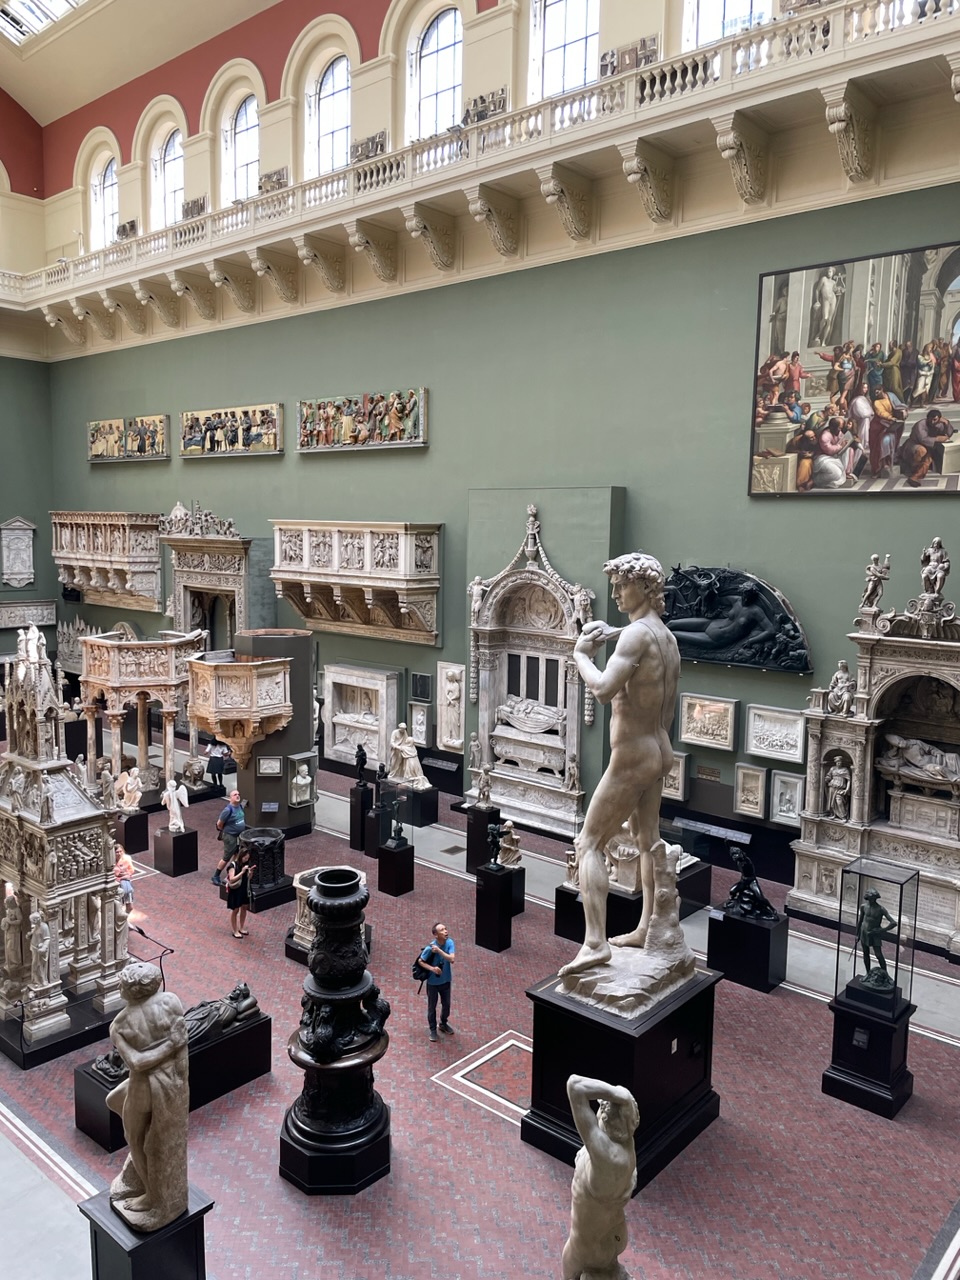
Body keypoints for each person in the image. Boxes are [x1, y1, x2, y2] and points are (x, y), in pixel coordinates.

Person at [559, 551, 680, 978]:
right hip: (659, 750)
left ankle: (595, 943)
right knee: (647, 839)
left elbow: (605, 690)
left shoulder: (635, 637)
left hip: (631, 756)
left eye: (622, 585)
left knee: (589, 843)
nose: (615, 593)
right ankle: (647, 926)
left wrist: (580, 654)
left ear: (645, 587)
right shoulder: (664, 636)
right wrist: (612, 634)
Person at [105, 962, 189, 1232]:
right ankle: (139, 1179)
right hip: (167, 1081)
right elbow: (180, 1046)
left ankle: (152, 1195)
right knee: (113, 1100)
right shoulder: (171, 1001)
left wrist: (170, 1050)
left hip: (144, 1087)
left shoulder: (120, 1024)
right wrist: (170, 1046)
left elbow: (138, 1062)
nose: (118, 987)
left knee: (136, 1139)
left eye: (121, 984)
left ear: (130, 989)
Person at [561, 1074, 639, 1280]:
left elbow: (575, 1086)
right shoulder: (626, 1146)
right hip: (614, 1231)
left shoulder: (605, 1154)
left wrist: (617, 1093)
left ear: (604, 1116)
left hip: (589, 1248)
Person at [417, 921, 455, 1043]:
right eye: (442, 930)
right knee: (432, 1007)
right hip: (433, 983)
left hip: (446, 981)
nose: (445, 931)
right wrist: (432, 969)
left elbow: (452, 959)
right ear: (435, 934)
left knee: (447, 1004)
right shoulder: (430, 948)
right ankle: (433, 1029)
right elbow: (420, 961)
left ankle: (443, 1023)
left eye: (445, 929)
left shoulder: (449, 943)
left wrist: (439, 951)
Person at [901, 409, 954, 485]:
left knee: (927, 460)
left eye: (935, 420)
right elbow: (923, 439)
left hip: (929, 447)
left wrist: (947, 423)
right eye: (931, 419)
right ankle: (912, 467)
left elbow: (949, 434)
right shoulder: (920, 424)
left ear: (939, 419)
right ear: (927, 418)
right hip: (914, 444)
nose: (932, 422)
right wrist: (937, 439)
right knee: (922, 450)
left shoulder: (940, 424)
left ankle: (915, 477)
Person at [856, 889, 897, 978]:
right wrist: (857, 934)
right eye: (870, 898)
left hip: (875, 934)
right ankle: (868, 973)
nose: (872, 900)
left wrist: (881, 930)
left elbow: (893, 923)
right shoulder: (863, 907)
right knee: (865, 953)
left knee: (878, 955)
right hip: (864, 932)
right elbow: (860, 921)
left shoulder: (881, 909)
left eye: (873, 898)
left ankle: (885, 975)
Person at [212, 789, 245, 885]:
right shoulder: (227, 810)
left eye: (238, 794)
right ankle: (216, 876)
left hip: (238, 836)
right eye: (235, 795)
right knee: (227, 856)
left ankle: (231, 872)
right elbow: (219, 824)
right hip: (230, 836)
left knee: (237, 853)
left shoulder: (240, 806)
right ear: (230, 798)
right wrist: (227, 831)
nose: (237, 796)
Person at [225, 844, 256, 939]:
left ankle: (241, 927)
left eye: (247, 858)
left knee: (244, 908)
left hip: (244, 889)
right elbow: (232, 879)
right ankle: (235, 930)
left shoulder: (246, 865)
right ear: (241, 856)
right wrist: (242, 872)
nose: (246, 860)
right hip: (236, 890)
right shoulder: (233, 865)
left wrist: (250, 873)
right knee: (235, 910)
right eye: (245, 858)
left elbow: (248, 878)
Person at [114, 842, 135, 911]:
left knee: (130, 907)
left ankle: (125, 916)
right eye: (117, 852)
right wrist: (118, 876)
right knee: (118, 907)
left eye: (121, 851)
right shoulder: (111, 861)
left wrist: (127, 874)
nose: (119, 853)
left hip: (125, 883)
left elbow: (131, 870)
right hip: (116, 885)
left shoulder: (127, 858)